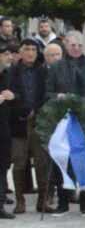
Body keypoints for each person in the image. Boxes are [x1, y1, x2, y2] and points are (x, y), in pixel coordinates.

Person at [44, 29, 85, 216]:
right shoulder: (56, 67)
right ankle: (63, 203)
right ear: (66, 46)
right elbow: (47, 93)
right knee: (63, 161)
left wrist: (82, 102)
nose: (76, 48)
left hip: (84, 121)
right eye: (73, 45)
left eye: (79, 45)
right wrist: (59, 97)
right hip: (63, 121)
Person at [9, 40, 51, 214]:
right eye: (27, 49)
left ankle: (42, 201)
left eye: (34, 49)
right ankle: (20, 201)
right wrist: (25, 111)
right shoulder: (11, 72)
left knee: (42, 164)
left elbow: (47, 95)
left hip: (39, 123)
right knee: (19, 164)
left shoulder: (43, 72)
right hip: (19, 123)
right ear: (20, 52)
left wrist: (36, 111)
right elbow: (10, 97)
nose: (30, 53)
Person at [0, 45, 15, 219]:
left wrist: (13, 96)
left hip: (4, 129)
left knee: (3, 167)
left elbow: (17, 95)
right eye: (5, 54)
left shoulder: (8, 75)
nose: (10, 57)